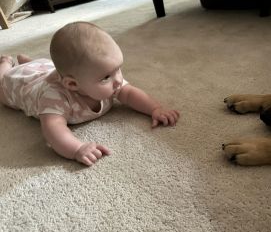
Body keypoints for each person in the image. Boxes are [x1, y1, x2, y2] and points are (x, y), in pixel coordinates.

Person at [0, 21, 179, 166]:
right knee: (4, 88)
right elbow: (52, 129)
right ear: (72, 84)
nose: (118, 80)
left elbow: (129, 93)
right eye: (106, 77)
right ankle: (7, 64)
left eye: (118, 69)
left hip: (48, 70)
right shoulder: (54, 97)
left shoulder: (106, 79)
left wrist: (155, 108)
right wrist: (77, 149)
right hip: (20, 84)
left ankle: (28, 62)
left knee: (46, 67)